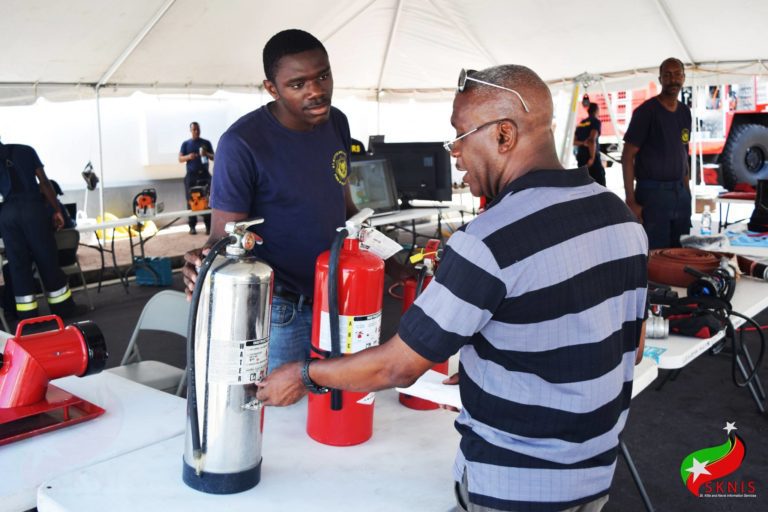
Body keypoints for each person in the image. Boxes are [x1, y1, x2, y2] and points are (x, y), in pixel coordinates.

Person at [257, 65, 649, 512]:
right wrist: (502, 366)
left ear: (504, 135)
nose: (455, 153)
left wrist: (306, 374)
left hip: (511, 487)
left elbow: (396, 369)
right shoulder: (621, 218)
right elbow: (628, 347)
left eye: (461, 135)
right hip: (595, 477)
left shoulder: (488, 240)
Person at [182, 29, 357, 372]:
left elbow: (344, 207)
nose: (317, 91)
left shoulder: (337, 122)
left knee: (336, 412)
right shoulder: (241, 144)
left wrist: (391, 259)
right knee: (280, 417)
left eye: (323, 76)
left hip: (338, 298)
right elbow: (224, 236)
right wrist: (200, 262)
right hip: (280, 311)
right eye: (298, 84)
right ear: (272, 89)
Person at [0, 141, 84, 320]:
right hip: (33, 210)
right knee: (47, 260)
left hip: (7, 214)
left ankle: (28, 318)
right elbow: (44, 182)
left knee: (18, 267)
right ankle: (64, 311)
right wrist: (57, 210)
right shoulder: (26, 150)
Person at [622, 57, 692, 249]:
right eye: (667, 75)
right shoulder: (646, 112)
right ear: (660, 79)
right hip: (653, 194)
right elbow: (627, 156)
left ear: (684, 78)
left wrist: (687, 191)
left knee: (681, 253)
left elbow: (683, 151)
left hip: (680, 194)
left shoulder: (685, 112)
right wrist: (630, 201)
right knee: (655, 256)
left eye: (677, 74)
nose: (673, 80)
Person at [178, 121, 214, 235]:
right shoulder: (186, 144)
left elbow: (214, 157)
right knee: (191, 201)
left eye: (198, 129)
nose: (196, 131)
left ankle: (208, 226)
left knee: (207, 201)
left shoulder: (206, 143)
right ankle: (192, 226)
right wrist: (189, 156)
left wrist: (206, 154)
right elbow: (180, 159)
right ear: (190, 130)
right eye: (194, 129)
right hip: (191, 176)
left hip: (204, 175)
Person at [573, 102, 605, 186]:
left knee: (584, 184)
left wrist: (583, 143)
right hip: (590, 157)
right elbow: (591, 140)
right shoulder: (595, 122)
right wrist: (592, 158)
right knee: (600, 184)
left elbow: (573, 141)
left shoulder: (581, 123)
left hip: (581, 157)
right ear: (596, 111)